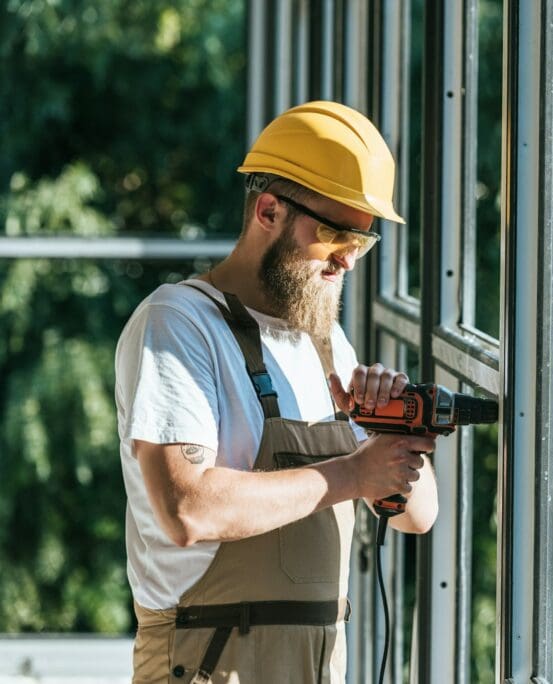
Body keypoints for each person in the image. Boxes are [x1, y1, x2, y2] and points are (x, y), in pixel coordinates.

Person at [115, 101, 438, 683]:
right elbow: (186, 508)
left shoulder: (325, 344)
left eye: (362, 243)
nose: (347, 259)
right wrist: (352, 474)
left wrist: (391, 430)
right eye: (337, 233)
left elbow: (420, 515)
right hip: (208, 664)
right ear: (268, 210)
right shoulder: (178, 325)